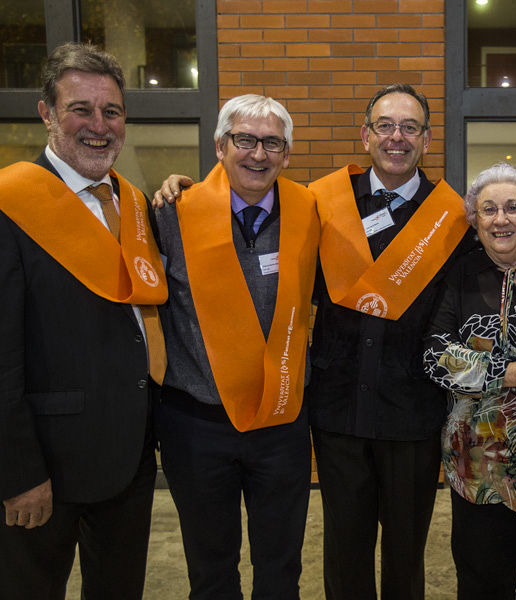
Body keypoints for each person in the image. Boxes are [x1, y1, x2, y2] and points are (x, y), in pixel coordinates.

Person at [0, 42, 166, 599]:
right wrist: (18, 473)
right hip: (47, 464)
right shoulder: (9, 206)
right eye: (81, 109)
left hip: (129, 457)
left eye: (112, 111)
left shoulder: (133, 202)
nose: (99, 125)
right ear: (47, 112)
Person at [305, 83, 476, 600]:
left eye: (409, 128)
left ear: (427, 139)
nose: (396, 137)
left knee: (406, 554)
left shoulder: (454, 219)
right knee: (344, 551)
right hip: (338, 411)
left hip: (413, 412)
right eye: (385, 126)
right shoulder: (322, 204)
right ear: (366, 135)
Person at [152, 94, 319, 599]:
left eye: (272, 143)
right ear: (220, 146)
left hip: (281, 421)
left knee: (281, 566)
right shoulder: (171, 213)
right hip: (197, 423)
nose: (258, 154)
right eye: (245, 140)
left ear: (287, 154)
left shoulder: (310, 211)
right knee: (209, 567)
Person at [423, 163, 516, 599]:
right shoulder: (460, 273)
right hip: (479, 467)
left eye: (513, 208)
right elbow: (433, 355)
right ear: (475, 219)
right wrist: (508, 372)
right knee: (483, 585)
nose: (501, 219)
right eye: (488, 210)